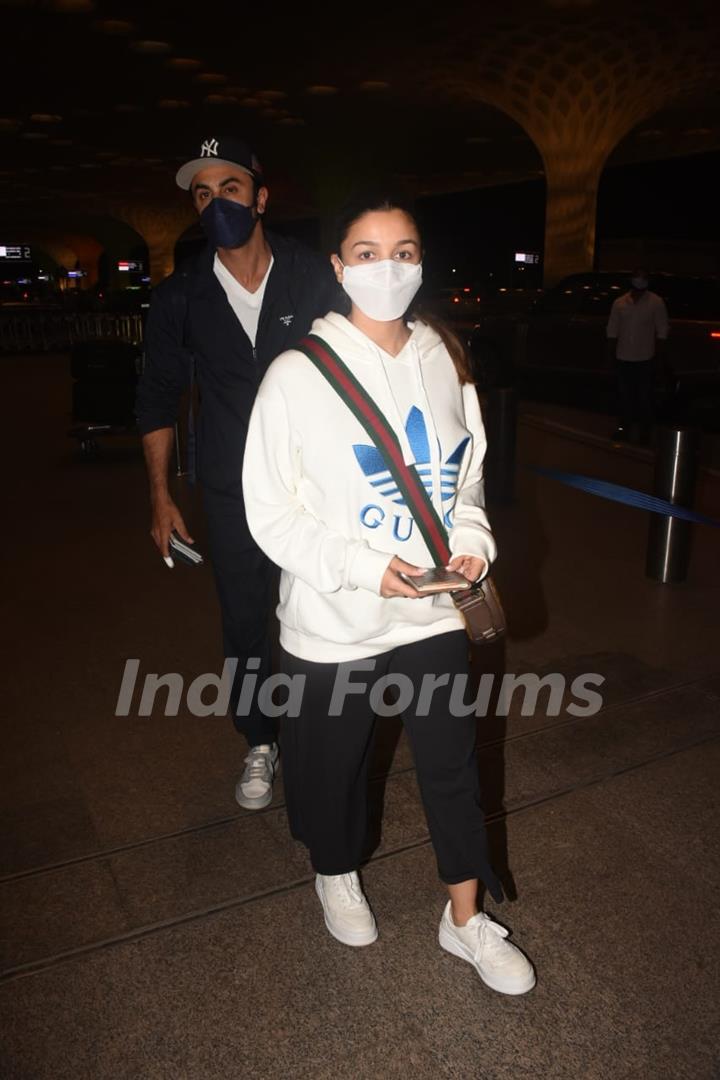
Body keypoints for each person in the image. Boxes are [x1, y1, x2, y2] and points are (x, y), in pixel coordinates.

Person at [242, 192, 536, 995]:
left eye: (404, 250)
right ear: (337, 268)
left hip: (431, 612)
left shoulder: (443, 355)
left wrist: (472, 543)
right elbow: (268, 510)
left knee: (452, 767)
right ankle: (334, 870)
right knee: (331, 770)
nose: (388, 267)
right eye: (367, 252)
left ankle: (466, 918)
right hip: (335, 622)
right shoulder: (297, 374)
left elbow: (464, 476)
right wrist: (362, 567)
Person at [135, 136, 337, 809]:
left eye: (229, 188)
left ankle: (321, 730)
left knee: (320, 611)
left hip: (317, 485)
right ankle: (260, 739)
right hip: (232, 489)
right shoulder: (180, 298)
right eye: (202, 193)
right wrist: (162, 497)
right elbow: (157, 399)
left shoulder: (313, 276)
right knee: (246, 620)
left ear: (259, 197)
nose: (216, 202)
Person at [606, 268, 669, 443]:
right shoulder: (620, 303)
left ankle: (645, 433)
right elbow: (612, 329)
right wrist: (610, 356)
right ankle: (624, 429)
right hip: (623, 357)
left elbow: (662, 330)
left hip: (645, 358)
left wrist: (659, 358)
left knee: (644, 398)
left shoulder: (656, 302)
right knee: (624, 397)